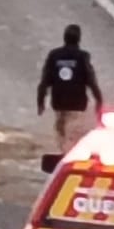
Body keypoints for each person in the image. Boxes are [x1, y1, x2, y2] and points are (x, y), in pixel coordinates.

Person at [36, 24, 104, 153]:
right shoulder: (82, 56)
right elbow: (90, 79)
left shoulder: (54, 55)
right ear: (79, 39)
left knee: (61, 131)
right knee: (73, 133)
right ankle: (70, 154)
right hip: (77, 103)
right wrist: (98, 101)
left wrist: (41, 101)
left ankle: (62, 152)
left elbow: (45, 80)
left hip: (59, 101)